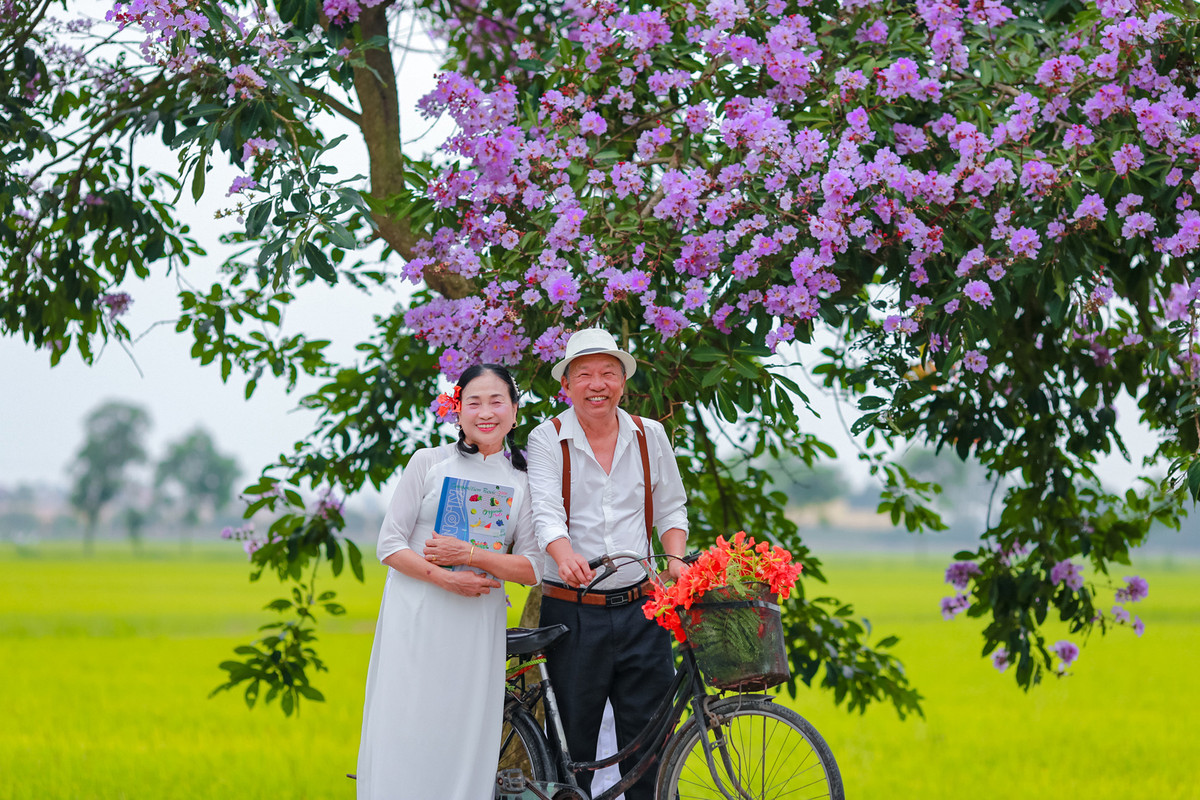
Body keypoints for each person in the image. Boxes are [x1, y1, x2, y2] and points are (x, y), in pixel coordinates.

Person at [356, 364, 542, 800]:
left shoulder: (523, 482)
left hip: (477, 627)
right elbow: (389, 544)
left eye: (497, 401)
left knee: (465, 732)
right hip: (417, 619)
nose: (486, 412)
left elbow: (533, 568)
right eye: (473, 402)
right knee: (406, 727)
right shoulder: (429, 462)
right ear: (458, 411)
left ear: (514, 411)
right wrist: (446, 577)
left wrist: (473, 557)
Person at [527, 328, 689, 800]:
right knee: (572, 747)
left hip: (643, 607)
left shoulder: (649, 434)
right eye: (585, 375)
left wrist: (675, 558)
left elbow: (672, 506)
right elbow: (546, 513)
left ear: (622, 381)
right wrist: (564, 554)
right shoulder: (547, 438)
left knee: (649, 746)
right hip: (572, 611)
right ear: (567, 385)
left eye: (608, 374)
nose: (597, 384)